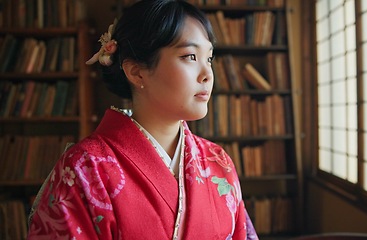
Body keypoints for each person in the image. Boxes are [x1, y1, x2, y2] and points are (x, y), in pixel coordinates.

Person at [27, 0, 259, 239]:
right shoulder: (84, 167)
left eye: (209, 58)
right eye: (190, 56)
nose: (207, 74)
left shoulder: (218, 162)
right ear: (136, 72)